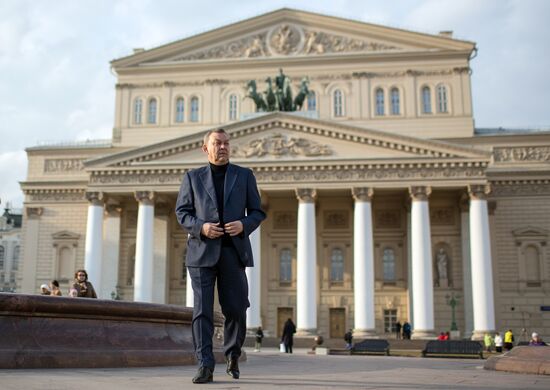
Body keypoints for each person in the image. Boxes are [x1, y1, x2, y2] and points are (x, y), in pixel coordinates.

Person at [175, 128, 266, 384]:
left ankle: (232, 353)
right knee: (202, 311)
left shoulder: (244, 176)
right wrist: (201, 227)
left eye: (226, 143)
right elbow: (182, 213)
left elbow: (258, 212)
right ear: (206, 148)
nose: (223, 147)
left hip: (232, 252)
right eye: (217, 143)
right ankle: (204, 364)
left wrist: (244, 225)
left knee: (236, 309)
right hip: (202, 252)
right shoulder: (192, 177)